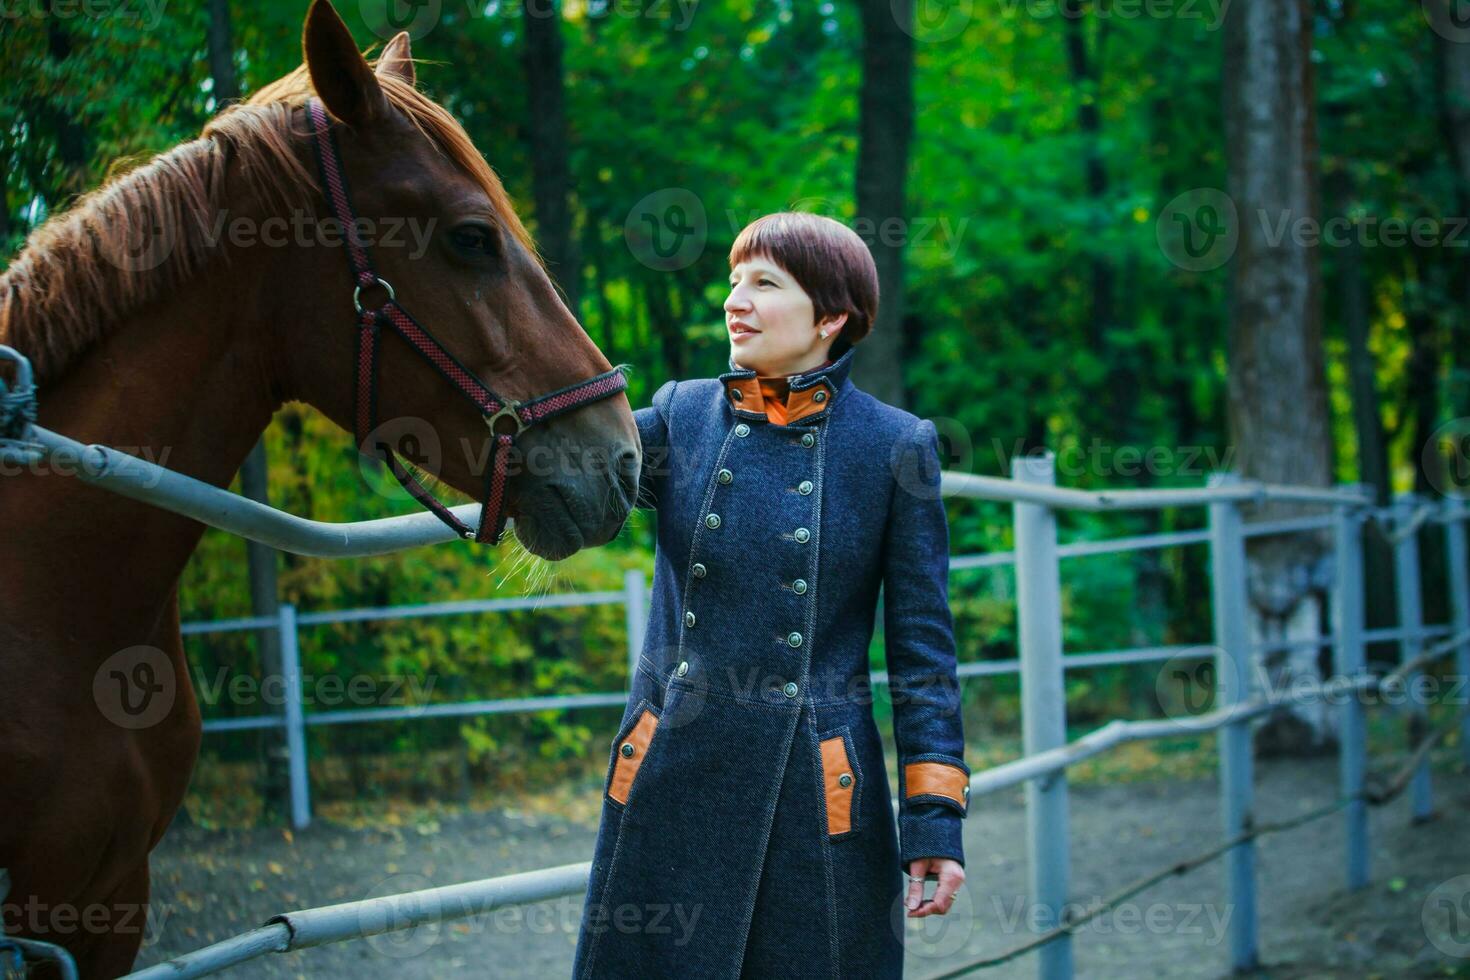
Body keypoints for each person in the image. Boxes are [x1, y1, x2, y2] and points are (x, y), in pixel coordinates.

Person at [572, 212, 969, 978]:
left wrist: (934, 823)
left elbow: (924, 656)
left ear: (831, 317)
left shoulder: (893, 446)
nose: (735, 301)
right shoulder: (680, 413)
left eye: (763, 283)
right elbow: (569, 463)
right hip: (669, 771)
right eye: (732, 281)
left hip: (815, 798)